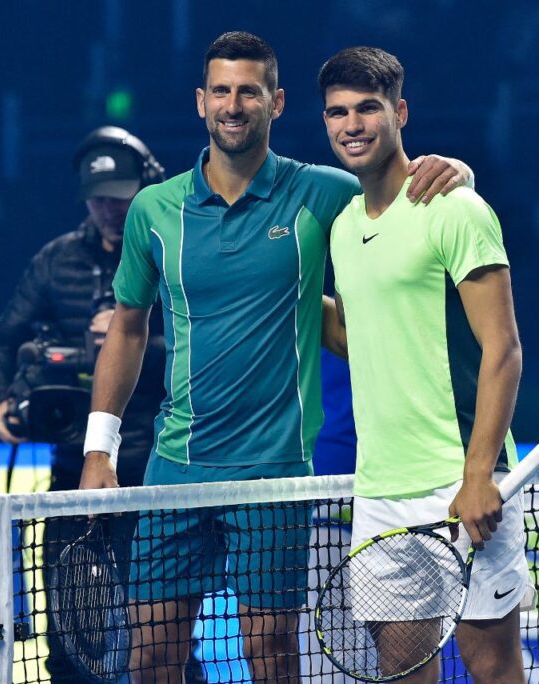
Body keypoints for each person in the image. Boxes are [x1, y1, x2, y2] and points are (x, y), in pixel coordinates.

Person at [78, 31, 473, 684]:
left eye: (250, 92)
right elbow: (127, 328)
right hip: (174, 471)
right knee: (150, 660)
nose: (234, 105)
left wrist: (459, 173)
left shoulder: (320, 192)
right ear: (201, 102)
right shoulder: (156, 209)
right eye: (222, 92)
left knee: (271, 657)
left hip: (277, 474)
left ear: (277, 102)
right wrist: (100, 451)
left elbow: (407, 197)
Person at [319, 47, 528, 683]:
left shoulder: (455, 209)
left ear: (400, 112)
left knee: (490, 664)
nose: (351, 124)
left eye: (368, 108)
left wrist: (478, 474)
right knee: (401, 670)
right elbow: (370, 342)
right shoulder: (343, 226)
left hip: (459, 478)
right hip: (381, 491)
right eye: (336, 112)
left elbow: (504, 348)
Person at [0, 126, 171, 682]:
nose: (110, 208)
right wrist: (1, 401)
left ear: (147, 185)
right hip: (71, 475)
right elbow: (2, 339)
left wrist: (137, 335)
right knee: (70, 645)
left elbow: (205, 344)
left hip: (156, 471)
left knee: (162, 638)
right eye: (98, 198)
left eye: (120, 196)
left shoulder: (174, 249)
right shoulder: (54, 260)